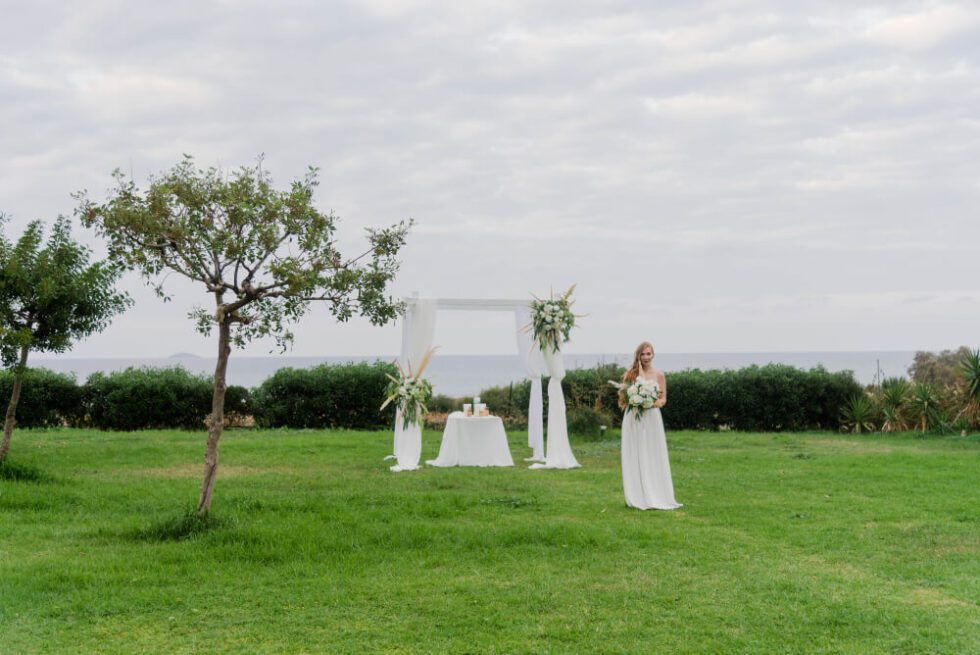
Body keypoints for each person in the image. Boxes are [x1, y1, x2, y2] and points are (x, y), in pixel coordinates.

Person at [620, 341, 682, 510]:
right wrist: (635, 399)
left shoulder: (659, 375)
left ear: (653, 355)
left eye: (649, 354)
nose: (646, 357)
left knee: (652, 452)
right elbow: (624, 398)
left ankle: (656, 492)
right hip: (634, 417)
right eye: (643, 354)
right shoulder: (630, 375)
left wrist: (652, 403)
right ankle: (637, 494)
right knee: (636, 452)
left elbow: (663, 399)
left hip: (652, 417)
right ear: (638, 356)